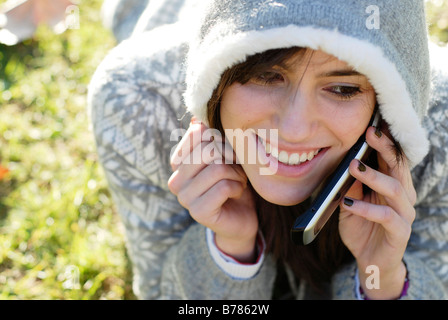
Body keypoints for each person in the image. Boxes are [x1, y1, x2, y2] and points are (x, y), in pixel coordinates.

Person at [88, 0, 448, 299]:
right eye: (266, 75)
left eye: (342, 89)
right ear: (217, 79)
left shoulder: (439, 125)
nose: (293, 130)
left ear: (383, 107)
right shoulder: (139, 101)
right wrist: (229, 249)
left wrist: (382, 278)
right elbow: (159, 292)